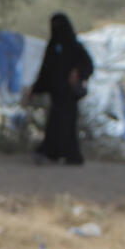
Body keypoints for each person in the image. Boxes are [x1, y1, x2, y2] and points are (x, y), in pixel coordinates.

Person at [23, 13, 93, 166]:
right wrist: (35, 89)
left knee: (66, 124)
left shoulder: (75, 47)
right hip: (57, 94)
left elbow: (88, 65)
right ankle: (51, 153)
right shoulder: (53, 47)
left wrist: (77, 72)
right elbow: (46, 70)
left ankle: (68, 155)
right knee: (56, 123)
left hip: (69, 94)